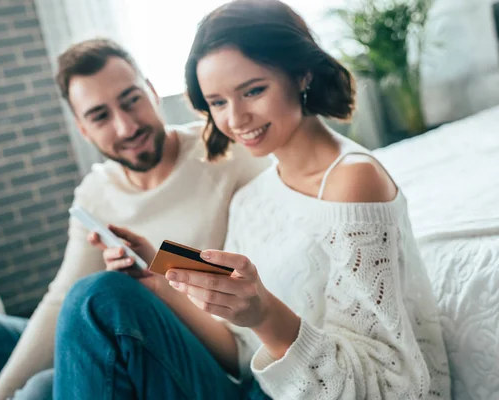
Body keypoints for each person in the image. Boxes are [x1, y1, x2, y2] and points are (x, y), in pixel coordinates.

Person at [53, 0, 452, 398]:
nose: (236, 118)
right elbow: (240, 355)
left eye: (253, 90)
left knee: (95, 299)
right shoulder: (250, 198)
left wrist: (264, 314)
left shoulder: (352, 181)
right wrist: (156, 277)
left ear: (301, 74)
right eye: (218, 103)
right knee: (52, 367)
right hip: (254, 388)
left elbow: (394, 385)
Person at [0, 38, 269, 400]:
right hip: (121, 332)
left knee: (45, 380)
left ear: (153, 92)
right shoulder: (96, 191)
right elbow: (60, 298)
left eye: (132, 101)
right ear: (83, 129)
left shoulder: (228, 157)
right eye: (100, 116)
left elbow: (250, 287)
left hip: (199, 354)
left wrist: (155, 274)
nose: (126, 127)